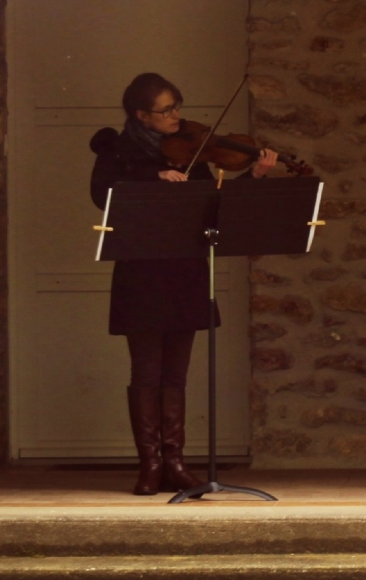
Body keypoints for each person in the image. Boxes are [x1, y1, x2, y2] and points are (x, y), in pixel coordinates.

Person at [103, 72, 278, 496]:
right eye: (167, 110)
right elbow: (102, 192)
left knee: (176, 374)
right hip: (142, 272)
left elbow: (215, 207)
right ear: (141, 115)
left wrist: (253, 175)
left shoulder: (193, 152)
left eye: (177, 106)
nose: (177, 116)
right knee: (146, 370)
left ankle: (176, 463)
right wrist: (152, 181)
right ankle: (150, 465)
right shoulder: (118, 149)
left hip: (185, 272)